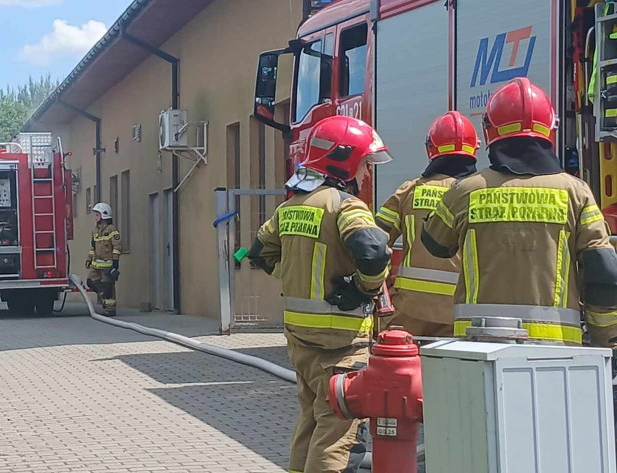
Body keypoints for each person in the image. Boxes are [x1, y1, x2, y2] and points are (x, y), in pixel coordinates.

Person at [423, 77, 617, 346]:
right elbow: (603, 271)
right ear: (549, 129)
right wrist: (605, 338)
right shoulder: (577, 192)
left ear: (490, 131)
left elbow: (435, 244)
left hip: (478, 343)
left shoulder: (466, 190)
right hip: (557, 347)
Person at [247, 115, 393, 473]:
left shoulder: (290, 208)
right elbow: (374, 253)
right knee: (338, 432)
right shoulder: (346, 206)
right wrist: (361, 288)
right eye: (364, 164)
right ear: (344, 161)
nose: (367, 174)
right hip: (340, 342)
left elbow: (258, 254)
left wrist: (294, 276)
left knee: (311, 422)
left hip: (300, 340)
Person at [374, 111, 479, 337]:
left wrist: (383, 297)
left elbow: (374, 244)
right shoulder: (480, 195)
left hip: (408, 314)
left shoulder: (408, 191)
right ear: (474, 150)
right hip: (463, 314)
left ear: (430, 149)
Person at [85, 202, 122, 316]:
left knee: (108, 288)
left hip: (107, 265)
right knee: (90, 282)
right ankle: (102, 296)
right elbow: (93, 247)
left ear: (104, 215)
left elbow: (118, 246)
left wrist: (115, 263)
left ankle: (110, 309)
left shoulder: (112, 230)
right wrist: (89, 259)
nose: (95, 217)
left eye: (97, 215)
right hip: (96, 265)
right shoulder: (95, 230)